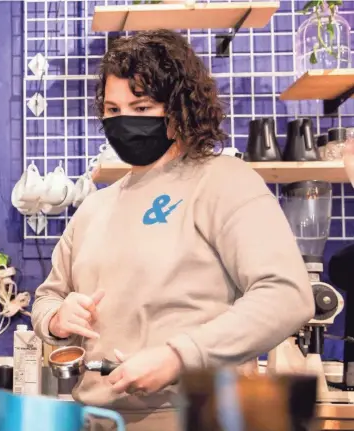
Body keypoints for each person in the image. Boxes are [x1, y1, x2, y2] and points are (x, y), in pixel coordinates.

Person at [31, 29, 314, 431]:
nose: (123, 120)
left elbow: (287, 295)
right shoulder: (95, 206)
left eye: (141, 107)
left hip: (192, 417)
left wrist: (180, 356)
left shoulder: (222, 181)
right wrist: (57, 318)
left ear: (179, 108)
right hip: (93, 419)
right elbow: (46, 298)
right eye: (112, 109)